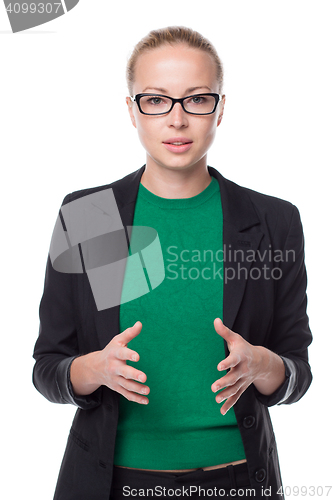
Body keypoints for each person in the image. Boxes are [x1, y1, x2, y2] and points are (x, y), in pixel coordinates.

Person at [32, 26, 312, 500]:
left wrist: (263, 364)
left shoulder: (271, 221)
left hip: (240, 480)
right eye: (156, 100)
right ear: (132, 111)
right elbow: (48, 367)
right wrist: (95, 370)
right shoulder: (90, 217)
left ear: (221, 108)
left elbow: (297, 371)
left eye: (197, 99)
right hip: (110, 483)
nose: (177, 119)